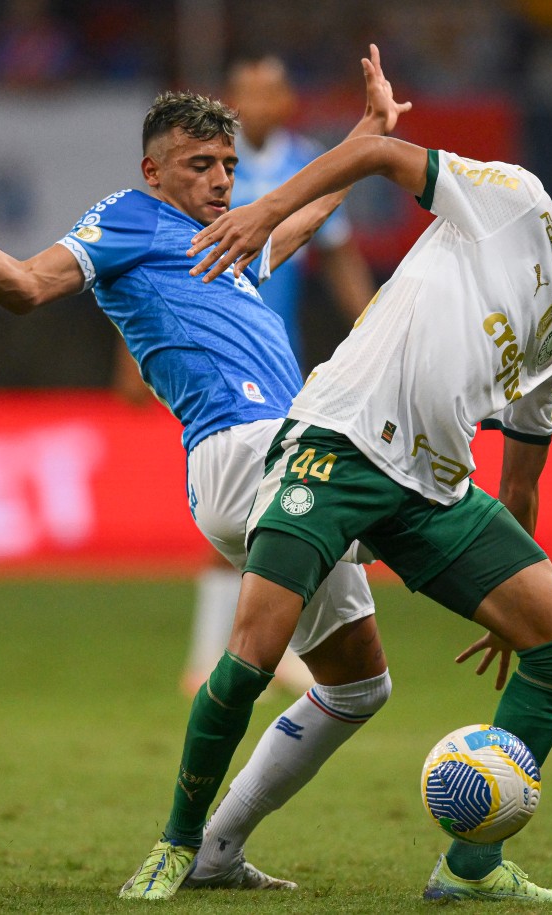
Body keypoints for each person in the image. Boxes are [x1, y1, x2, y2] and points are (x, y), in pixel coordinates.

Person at [0, 46, 552, 902]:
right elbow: (21, 284)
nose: (221, 180)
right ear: (152, 170)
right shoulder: (128, 219)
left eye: (230, 166)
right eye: (200, 165)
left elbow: (300, 223)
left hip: (347, 447)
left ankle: (222, 850)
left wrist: (364, 135)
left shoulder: (237, 246)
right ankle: (180, 840)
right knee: (256, 650)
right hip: (262, 448)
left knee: (359, 684)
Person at [152, 112, 552, 903]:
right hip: (339, 443)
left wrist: (507, 606)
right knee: (253, 655)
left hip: (432, 491)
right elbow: (381, 153)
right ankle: (181, 846)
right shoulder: (512, 201)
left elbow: (520, 484)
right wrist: (265, 213)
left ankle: (470, 868)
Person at [177, 52, 379, 700]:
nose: (256, 106)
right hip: (214, 364)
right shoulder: (207, 171)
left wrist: (376, 328)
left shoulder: (304, 164)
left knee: (271, 506)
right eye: (244, 93)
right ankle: (231, 655)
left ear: (287, 102)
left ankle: (238, 653)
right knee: (258, 504)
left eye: (269, 93)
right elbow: (150, 265)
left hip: (280, 363)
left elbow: (339, 254)